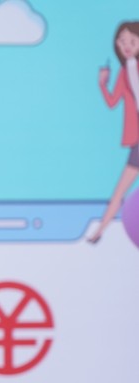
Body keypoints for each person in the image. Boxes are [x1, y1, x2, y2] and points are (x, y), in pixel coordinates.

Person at [89, 21, 139, 244]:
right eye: (122, 41)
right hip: (137, 139)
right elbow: (112, 102)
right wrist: (102, 83)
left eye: (132, 41)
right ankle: (100, 231)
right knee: (120, 190)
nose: (126, 45)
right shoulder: (123, 71)